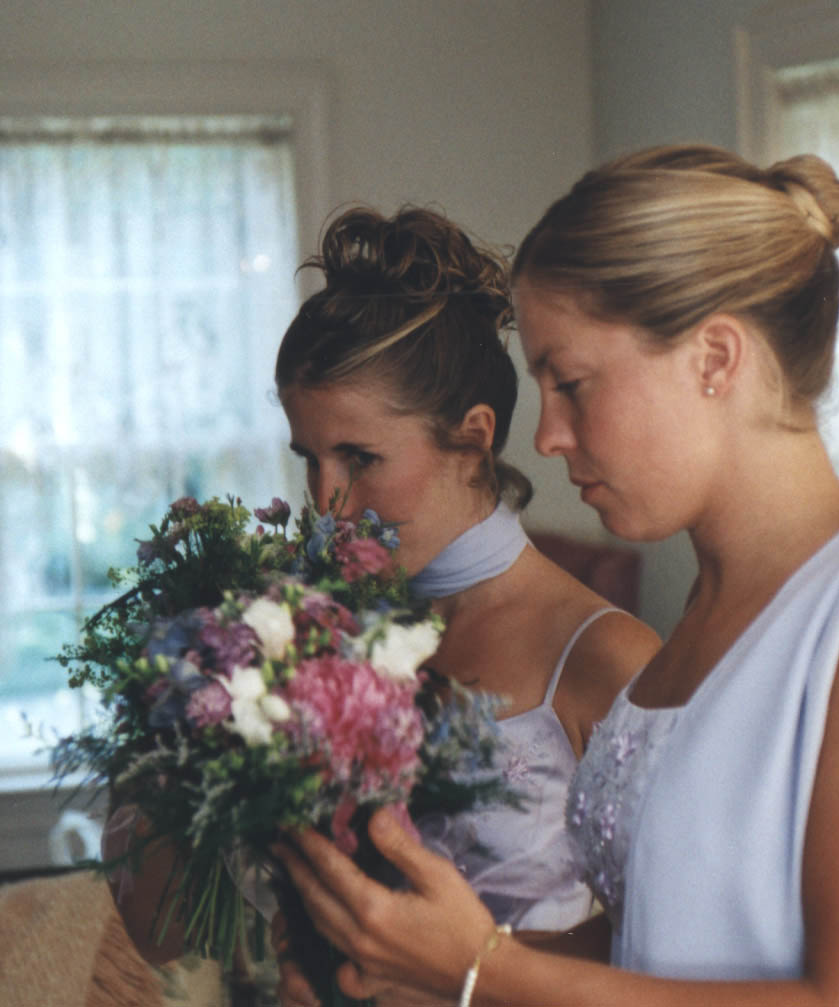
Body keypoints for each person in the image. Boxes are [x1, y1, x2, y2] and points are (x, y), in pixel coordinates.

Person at [272, 147, 839, 1007]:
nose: (545, 435)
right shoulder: (697, 624)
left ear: (714, 358)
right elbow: (655, 942)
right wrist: (408, 968)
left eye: (572, 382)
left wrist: (482, 970)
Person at [105, 206, 661, 1002]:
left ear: (472, 438)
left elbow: (678, 956)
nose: (326, 502)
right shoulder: (293, 642)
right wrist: (171, 728)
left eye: (360, 457)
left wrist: (455, 972)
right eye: (309, 457)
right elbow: (164, 927)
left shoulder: (609, 658)